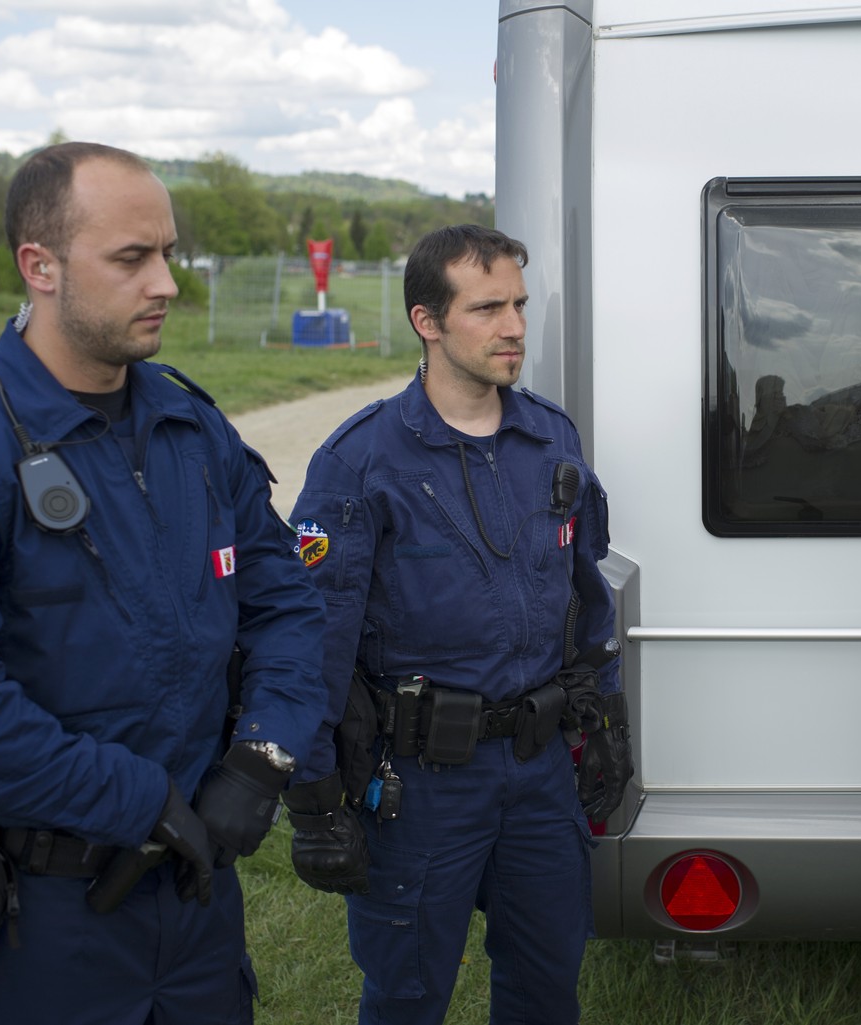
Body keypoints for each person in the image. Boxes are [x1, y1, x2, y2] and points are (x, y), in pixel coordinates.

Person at [0, 141, 328, 1024]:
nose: (167, 285)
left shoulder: (194, 431)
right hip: (34, 925)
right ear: (41, 265)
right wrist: (139, 799)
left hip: (194, 912)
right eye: (131, 258)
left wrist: (261, 759)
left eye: (168, 254)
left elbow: (287, 604)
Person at [283, 224, 631, 1025]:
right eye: (486, 308)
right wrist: (313, 795)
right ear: (427, 321)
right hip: (419, 786)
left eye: (518, 303)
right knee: (407, 995)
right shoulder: (361, 461)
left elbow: (588, 598)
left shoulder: (551, 438)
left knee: (548, 986)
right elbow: (314, 638)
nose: (513, 326)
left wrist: (606, 718)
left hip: (541, 773)